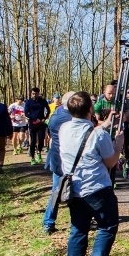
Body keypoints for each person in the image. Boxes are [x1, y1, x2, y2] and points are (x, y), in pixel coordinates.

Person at [59, 91, 124, 256]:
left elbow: (87, 131)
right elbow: (111, 162)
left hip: (74, 190)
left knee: (78, 231)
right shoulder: (98, 135)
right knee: (107, 226)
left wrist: (105, 123)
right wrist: (118, 145)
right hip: (97, 189)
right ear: (90, 110)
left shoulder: (63, 129)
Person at [42, 91, 76, 234]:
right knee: (67, 191)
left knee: (57, 191)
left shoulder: (57, 113)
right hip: (65, 160)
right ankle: (51, 222)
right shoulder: (68, 117)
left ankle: (48, 222)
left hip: (57, 158)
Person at [24, 87, 50, 165]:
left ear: (38, 93)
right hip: (32, 123)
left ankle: (38, 153)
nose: (34, 95)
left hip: (41, 123)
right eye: (33, 94)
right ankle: (32, 157)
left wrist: (44, 118)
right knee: (33, 141)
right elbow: (26, 113)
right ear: (31, 94)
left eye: (36, 94)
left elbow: (48, 110)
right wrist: (34, 118)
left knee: (41, 139)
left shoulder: (43, 101)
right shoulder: (28, 102)